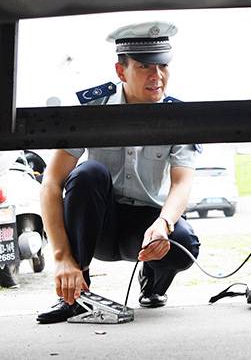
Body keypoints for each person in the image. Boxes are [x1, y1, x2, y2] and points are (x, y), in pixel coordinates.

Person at [36, 22, 201, 324]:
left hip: (145, 229)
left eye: (163, 65)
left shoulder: (177, 116)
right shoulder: (92, 108)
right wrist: (61, 258)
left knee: (184, 244)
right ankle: (73, 295)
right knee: (88, 173)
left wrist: (163, 224)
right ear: (120, 71)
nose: (157, 76)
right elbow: (51, 184)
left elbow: (182, 183)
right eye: (145, 67)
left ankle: (153, 282)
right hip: (97, 224)